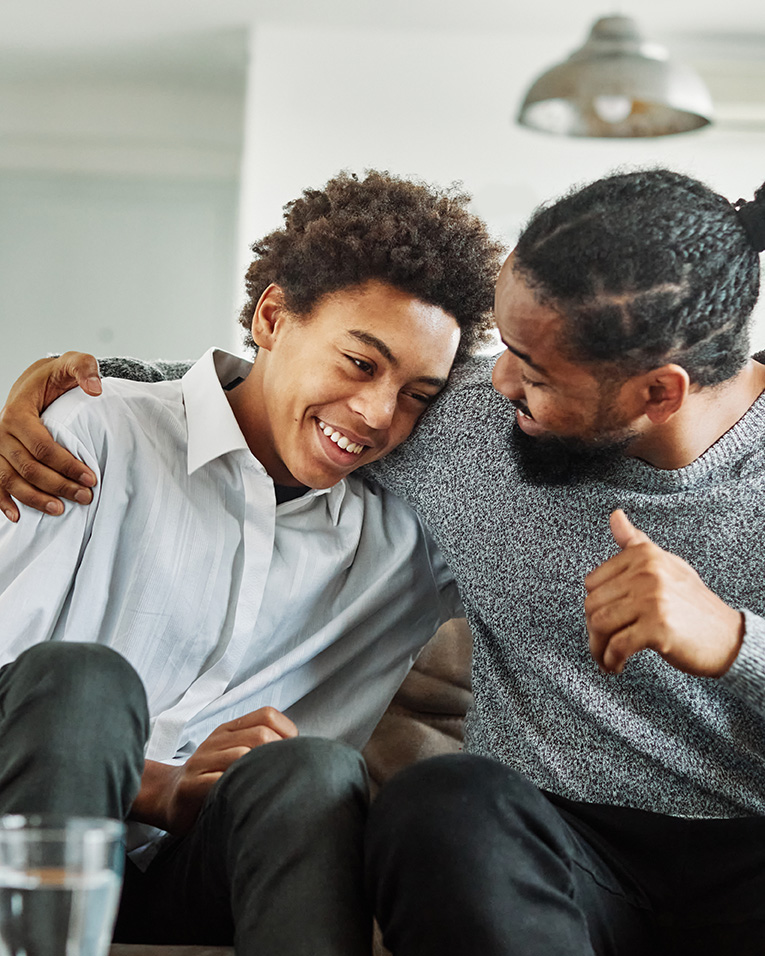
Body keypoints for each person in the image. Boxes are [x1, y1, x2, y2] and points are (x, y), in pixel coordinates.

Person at [4, 167, 765, 954]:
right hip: (546, 843)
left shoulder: (436, 436)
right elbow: (267, 396)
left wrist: (736, 642)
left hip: (747, 852)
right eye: (503, 347)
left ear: (657, 394)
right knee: (433, 799)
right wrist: (78, 388)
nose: (494, 384)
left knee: (316, 775)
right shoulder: (470, 426)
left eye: (533, 373)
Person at [0, 168, 504, 955]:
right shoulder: (95, 434)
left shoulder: (416, 543)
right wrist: (158, 785)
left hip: (206, 879)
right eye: (360, 363)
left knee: (312, 771)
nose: (378, 415)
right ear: (273, 316)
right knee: (82, 680)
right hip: (26, 849)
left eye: (417, 394)